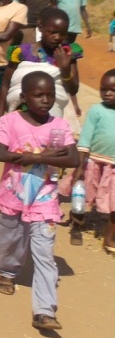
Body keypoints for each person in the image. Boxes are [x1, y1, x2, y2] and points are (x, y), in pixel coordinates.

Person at [0, 71, 75, 331]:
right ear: (24, 97)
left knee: (45, 255)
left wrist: (37, 158)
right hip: (13, 196)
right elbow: (0, 153)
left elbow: (72, 160)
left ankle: (44, 310)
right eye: (39, 95)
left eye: (50, 95)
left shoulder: (59, 126)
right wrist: (47, 155)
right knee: (10, 241)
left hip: (45, 200)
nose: (45, 100)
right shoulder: (10, 121)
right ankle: (7, 271)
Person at [0, 7, 81, 120]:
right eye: (53, 32)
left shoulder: (68, 54)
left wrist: (65, 70)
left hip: (51, 119)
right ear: (40, 27)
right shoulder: (21, 52)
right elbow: (5, 86)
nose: (57, 37)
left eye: (62, 34)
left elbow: (73, 90)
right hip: (20, 117)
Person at [68, 69, 115, 251]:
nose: (107, 93)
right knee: (82, 197)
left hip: (113, 167)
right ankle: (76, 224)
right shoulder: (96, 111)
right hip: (93, 163)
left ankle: (109, 239)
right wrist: (80, 166)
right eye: (104, 89)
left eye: (113, 90)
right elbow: (85, 139)